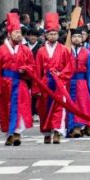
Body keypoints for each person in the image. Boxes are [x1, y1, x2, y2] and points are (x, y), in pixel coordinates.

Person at [0, 13, 37, 146]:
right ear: (9, 34)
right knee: (6, 108)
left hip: (20, 82)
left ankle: (17, 134)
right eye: (16, 32)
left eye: (20, 33)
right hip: (5, 83)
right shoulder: (0, 50)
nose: (18, 35)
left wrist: (26, 69)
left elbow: (33, 66)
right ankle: (9, 134)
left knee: (21, 107)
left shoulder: (26, 50)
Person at [35, 13, 72, 144]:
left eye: (55, 34)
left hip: (59, 82)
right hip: (45, 83)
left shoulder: (64, 50)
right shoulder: (41, 51)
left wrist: (61, 76)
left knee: (59, 108)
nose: (53, 36)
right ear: (46, 35)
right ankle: (46, 133)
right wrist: (37, 88)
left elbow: (69, 67)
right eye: (50, 34)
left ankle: (57, 132)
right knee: (44, 108)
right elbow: (37, 70)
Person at [66, 28, 90, 138]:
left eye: (79, 36)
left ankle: (81, 126)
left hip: (82, 82)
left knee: (83, 105)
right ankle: (72, 127)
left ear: (82, 38)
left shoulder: (87, 53)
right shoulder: (66, 51)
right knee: (70, 105)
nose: (76, 39)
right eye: (74, 36)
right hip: (69, 81)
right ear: (71, 38)